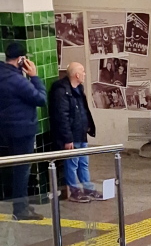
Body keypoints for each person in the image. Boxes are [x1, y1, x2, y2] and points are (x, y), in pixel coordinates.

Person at [0, 42, 47, 220]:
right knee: (22, 170)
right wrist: (34, 77)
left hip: (6, 130)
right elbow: (41, 99)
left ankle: (22, 205)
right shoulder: (18, 80)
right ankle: (20, 209)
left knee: (16, 169)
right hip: (22, 130)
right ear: (21, 60)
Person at [49, 63, 102, 202]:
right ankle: (74, 191)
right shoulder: (62, 91)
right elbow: (62, 116)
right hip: (72, 135)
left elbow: (83, 111)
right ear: (76, 75)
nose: (85, 74)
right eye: (83, 71)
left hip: (81, 132)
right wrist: (67, 138)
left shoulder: (79, 89)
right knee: (72, 164)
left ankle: (88, 188)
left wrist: (89, 126)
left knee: (83, 163)